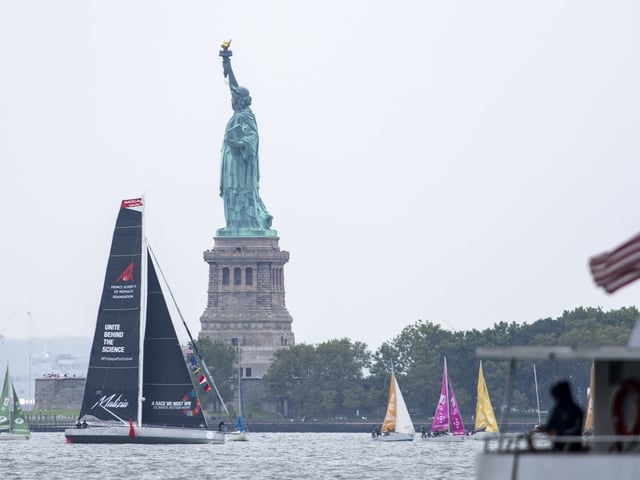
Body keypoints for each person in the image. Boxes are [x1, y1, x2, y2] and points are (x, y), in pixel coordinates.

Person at [218, 42, 273, 233]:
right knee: (231, 191)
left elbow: (252, 139)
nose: (232, 99)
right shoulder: (238, 115)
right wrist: (227, 63)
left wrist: (238, 143)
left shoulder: (246, 115)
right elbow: (233, 86)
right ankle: (234, 224)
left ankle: (246, 223)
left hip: (242, 163)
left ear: (240, 100)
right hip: (231, 161)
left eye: (235, 98)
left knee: (239, 190)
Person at [537, 380, 584, 451]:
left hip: (573, 448)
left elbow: (576, 429)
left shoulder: (576, 410)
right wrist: (543, 428)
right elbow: (551, 425)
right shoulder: (556, 409)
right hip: (557, 447)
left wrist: (559, 433)